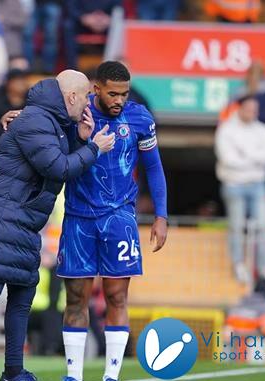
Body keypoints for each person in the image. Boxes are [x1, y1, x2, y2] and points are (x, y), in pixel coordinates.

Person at [0, 70, 115, 381]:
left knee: (22, 295)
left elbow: (56, 153)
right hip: (3, 218)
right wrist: (94, 149)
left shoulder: (50, 121)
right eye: (86, 95)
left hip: (22, 221)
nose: (89, 102)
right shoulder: (36, 120)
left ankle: (13, 371)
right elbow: (58, 166)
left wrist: (81, 139)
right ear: (71, 97)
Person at [55, 61, 168, 381]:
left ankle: (111, 376)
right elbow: (42, 124)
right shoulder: (76, 114)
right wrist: (16, 116)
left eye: (124, 93)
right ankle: (73, 376)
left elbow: (154, 168)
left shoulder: (140, 118)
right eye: (113, 93)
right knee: (76, 297)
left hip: (120, 216)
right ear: (96, 89)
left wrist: (161, 215)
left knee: (117, 295)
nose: (119, 99)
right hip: (78, 217)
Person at [215, 95, 265, 282]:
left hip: (258, 184)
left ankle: (263, 269)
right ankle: (239, 265)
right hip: (234, 185)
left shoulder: (263, 130)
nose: (252, 113)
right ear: (240, 108)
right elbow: (228, 159)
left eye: (254, 109)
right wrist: (255, 159)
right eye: (249, 108)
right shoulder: (226, 130)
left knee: (263, 228)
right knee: (237, 227)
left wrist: (245, 154)